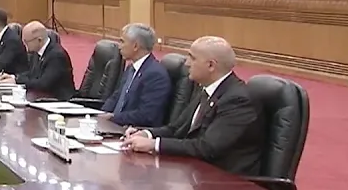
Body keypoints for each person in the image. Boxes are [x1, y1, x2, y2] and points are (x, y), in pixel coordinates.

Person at [123, 36, 265, 175]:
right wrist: (146, 133)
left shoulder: (238, 100)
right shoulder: (206, 89)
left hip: (225, 180)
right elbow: (176, 129)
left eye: (192, 58)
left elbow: (207, 147)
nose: (187, 63)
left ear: (211, 65)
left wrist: (154, 144)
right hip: (196, 172)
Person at [100, 23, 171, 127]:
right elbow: (116, 97)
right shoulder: (131, 68)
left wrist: (113, 118)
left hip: (132, 130)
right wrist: (100, 114)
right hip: (113, 125)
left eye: (122, 42)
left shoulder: (155, 75)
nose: (119, 47)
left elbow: (147, 115)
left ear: (135, 46)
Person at [0, 21, 75, 100]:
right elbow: (32, 73)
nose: (25, 45)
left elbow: (43, 84)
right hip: (42, 97)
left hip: (58, 99)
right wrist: (14, 77)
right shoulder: (37, 52)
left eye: (27, 42)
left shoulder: (57, 56)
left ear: (39, 40)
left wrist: (17, 81)